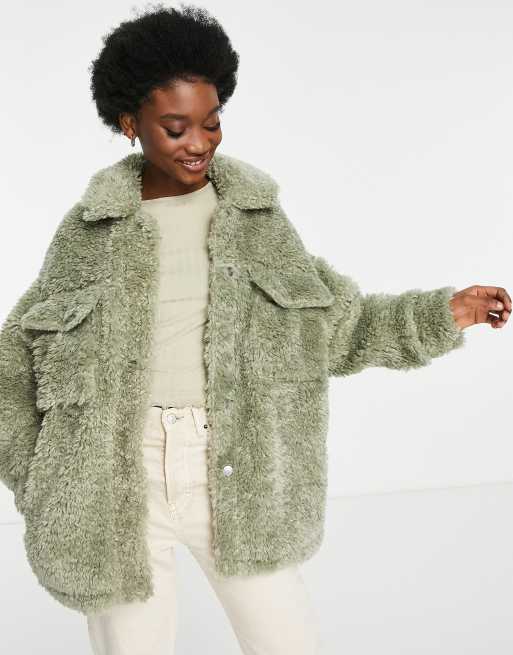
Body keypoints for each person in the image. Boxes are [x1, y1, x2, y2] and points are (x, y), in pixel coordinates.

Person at [0, 4, 510, 655]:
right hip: (112, 478)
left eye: (211, 122)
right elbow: (14, 363)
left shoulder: (255, 219)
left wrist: (446, 313)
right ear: (130, 124)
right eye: (175, 128)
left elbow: (339, 326)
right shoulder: (89, 232)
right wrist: (42, 480)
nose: (198, 142)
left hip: (236, 465)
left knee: (287, 640)